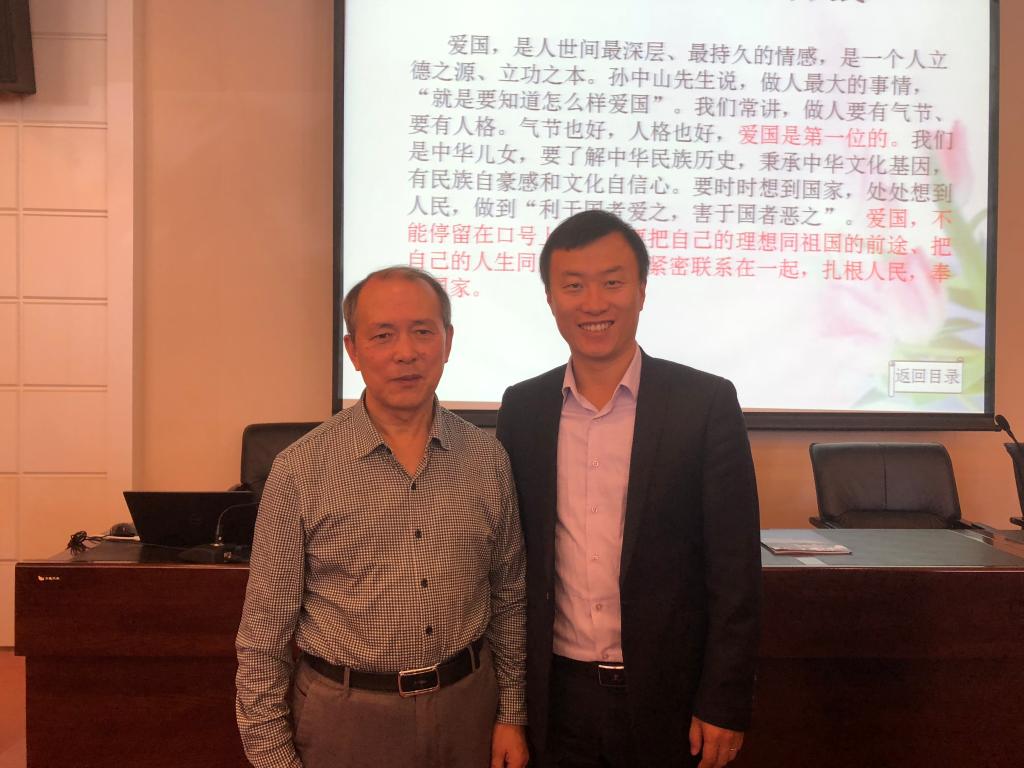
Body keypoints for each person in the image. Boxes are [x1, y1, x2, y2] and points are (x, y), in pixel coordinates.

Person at [496, 210, 761, 768]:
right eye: (573, 286)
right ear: (550, 299)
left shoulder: (704, 404)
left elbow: (735, 571)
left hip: (671, 700)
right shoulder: (523, 409)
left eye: (612, 282)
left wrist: (724, 700)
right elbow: (512, 569)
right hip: (557, 701)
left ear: (642, 290)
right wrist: (510, 709)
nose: (593, 303)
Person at [236, 267, 529, 768]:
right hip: (346, 720)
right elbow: (264, 636)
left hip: (469, 712)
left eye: (423, 331)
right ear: (353, 350)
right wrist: (272, 758)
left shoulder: (488, 459)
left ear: (448, 340)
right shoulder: (300, 469)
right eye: (383, 335)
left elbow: (510, 597)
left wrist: (512, 714)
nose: (405, 352)